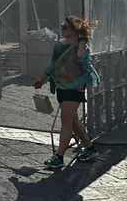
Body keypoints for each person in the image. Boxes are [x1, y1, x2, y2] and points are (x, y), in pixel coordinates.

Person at [33, 16, 100, 169]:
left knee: (66, 120)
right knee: (73, 121)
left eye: (65, 27)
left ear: (74, 30)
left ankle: (59, 156)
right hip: (61, 86)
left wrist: (82, 42)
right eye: (61, 27)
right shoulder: (58, 45)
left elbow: (81, 58)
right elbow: (53, 63)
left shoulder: (81, 46)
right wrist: (41, 78)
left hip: (75, 87)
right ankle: (90, 149)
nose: (62, 30)